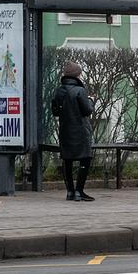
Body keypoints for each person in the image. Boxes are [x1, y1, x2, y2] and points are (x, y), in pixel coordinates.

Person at [52, 61, 96, 202]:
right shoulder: (80, 91)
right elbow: (87, 110)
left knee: (67, 160)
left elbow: (55, 111)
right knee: (85, 158)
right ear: (78, 75)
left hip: (65, 129)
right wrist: (90, 100)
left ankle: (70, 192)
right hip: (81, 131)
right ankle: (79, 191)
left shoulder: (59, 91)